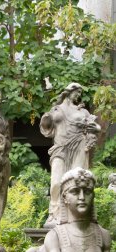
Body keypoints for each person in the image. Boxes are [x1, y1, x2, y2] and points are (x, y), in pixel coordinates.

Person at [40, 83, 101, 226]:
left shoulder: (83, 112)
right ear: (69, 91)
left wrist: (95, 127)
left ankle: (75, 216)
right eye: (76, 91)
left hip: (79, 146)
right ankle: (54, 213)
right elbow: (46, 126)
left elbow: (95, 128)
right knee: (56, 182)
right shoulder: (57, 109)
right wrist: (48, 117)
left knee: (77, 181)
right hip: (60, 148)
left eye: (80, 92)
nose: (78, 95)